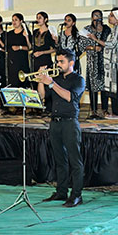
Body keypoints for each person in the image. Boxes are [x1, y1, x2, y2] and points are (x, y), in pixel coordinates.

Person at [37, 49, 86, 207]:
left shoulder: (78, 79)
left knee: (75, 161)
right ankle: (61, 191)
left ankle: (76, 195)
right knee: (59, 160)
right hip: (55, 122)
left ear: (71, 63)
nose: (58, 64)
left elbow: (70, 97)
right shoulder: (56, 78)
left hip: (69, 122)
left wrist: (51, 83)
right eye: (57, 61)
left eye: (61, 62)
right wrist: (41, 80)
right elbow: (42, 96)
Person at [88, 9, 118, 117]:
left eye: (112, 16)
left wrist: (96, 39)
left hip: (116, 63)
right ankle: (116, 112)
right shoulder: (114, 28)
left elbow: (112, 44)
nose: (109, 18)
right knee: (113, 89)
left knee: (117, 89)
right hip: (110, 64)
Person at [81, 10, 111, 118]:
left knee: (104, 86)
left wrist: (97, 41)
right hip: (92, 61)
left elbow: (110, 44)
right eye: (94, 16)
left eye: (98, 16)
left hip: (105, 61)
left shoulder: (107, 30)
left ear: (102, 18)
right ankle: (94, 110)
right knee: (93, 86)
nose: (96, 18)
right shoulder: (87, 30)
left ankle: (104, 109)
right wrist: (93, 47)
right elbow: (81, 45)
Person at [7, 13, 31, 88]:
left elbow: (30, 47)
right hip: (11, 62)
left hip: (21, 61)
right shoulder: (9, 34)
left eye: (16, 20)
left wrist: (20, 47)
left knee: (22, 82)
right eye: (13, 20)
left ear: (21, 21)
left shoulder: (25, 32)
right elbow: (6, 47)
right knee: (12, 82)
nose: (14, 22)